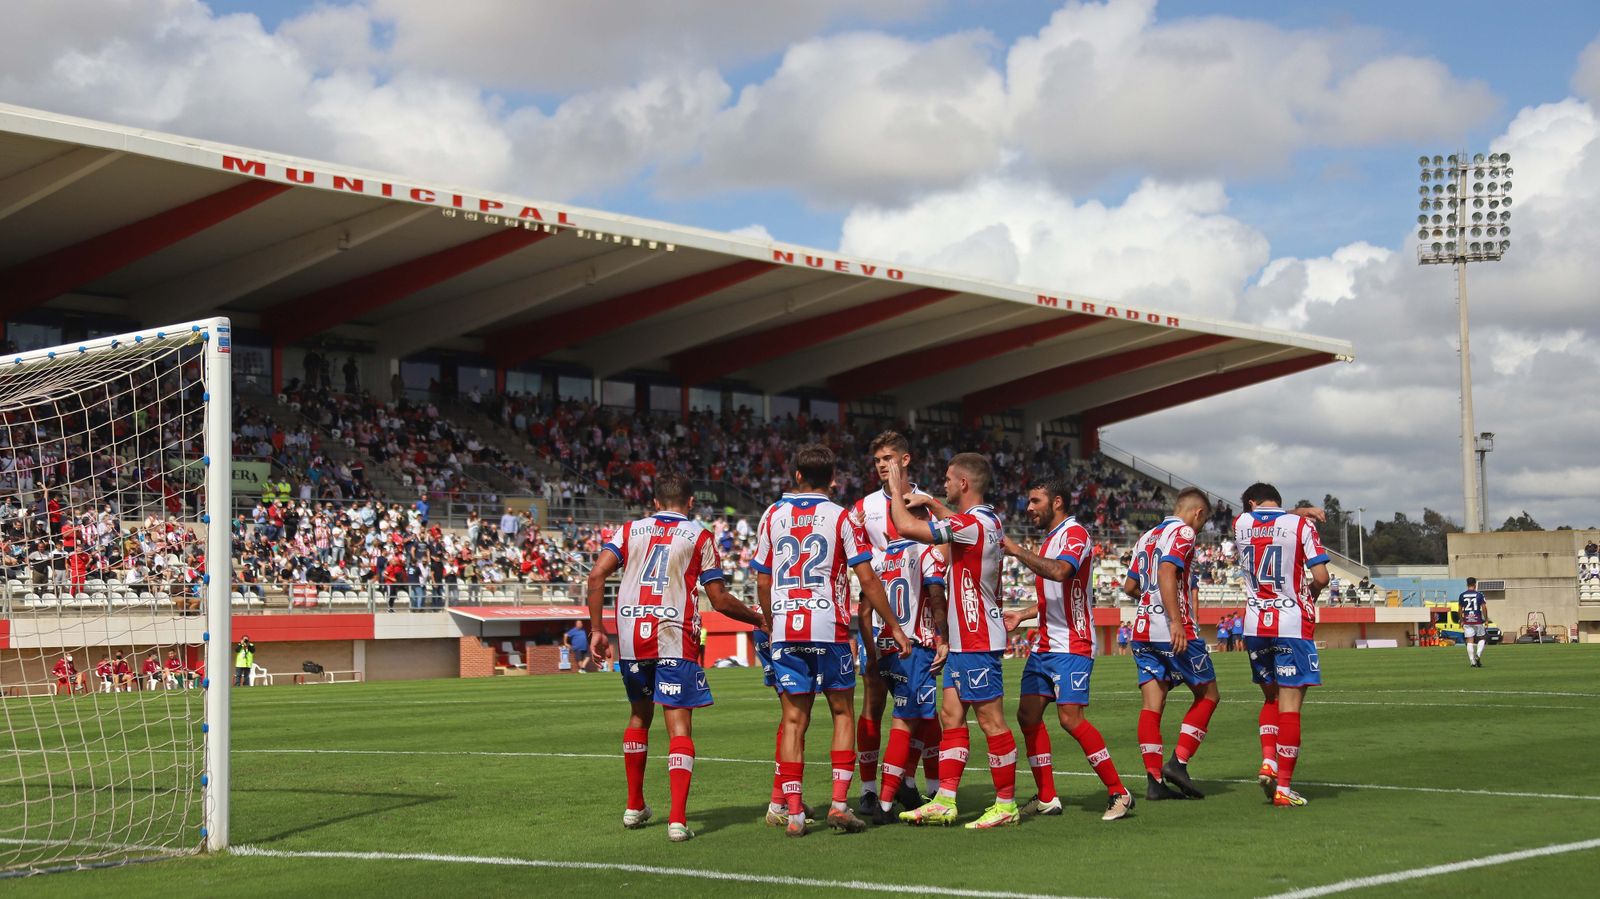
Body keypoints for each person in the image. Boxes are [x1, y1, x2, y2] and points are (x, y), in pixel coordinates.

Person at [586, 472, 765, 843]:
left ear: (655, 502)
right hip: (673, 635)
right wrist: (758, 618)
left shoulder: (629, 530)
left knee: (639, 715)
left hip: (633, 635)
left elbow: (596, 576)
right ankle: (677, 820)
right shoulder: (699, 535)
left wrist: (597, 630)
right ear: (691, 502)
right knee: (679, 726)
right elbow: (718, 599)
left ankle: (634, 806)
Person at [755, 445, 908, 837]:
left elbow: (763, 579)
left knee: (793, 720)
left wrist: (772, 620)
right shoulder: (842, 516)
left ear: (798, 476)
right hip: (829, 628)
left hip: (786, 628)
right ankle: (839, 805)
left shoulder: (772, 514)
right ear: (833, 479)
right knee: (842, 713)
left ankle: (793, 813)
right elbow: (867, 578)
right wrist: (892, 624)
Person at [887, 452, 1021, 830]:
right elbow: (950, 523)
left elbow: (905, 526)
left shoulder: (972, 524)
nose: (944, 484)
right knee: (950, 715)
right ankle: (944, 800)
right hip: (965, 639)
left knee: (991, 721)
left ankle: (1006, 804)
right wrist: (931, 502)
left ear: (963, 483)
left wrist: (896, 487)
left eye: (948, 479)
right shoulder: (986, 521)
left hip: (978, 638)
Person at [1001, 477, 1135, 821]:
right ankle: (1047, 797)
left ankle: (1119, 792)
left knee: (1070, 719)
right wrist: (1023, 615)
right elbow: (1054, 597)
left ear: (1057, 502)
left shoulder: (1075, 534)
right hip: (1045, 644)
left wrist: (1017, 551)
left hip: (1073, 644)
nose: (1029, 508)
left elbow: (1061, 572)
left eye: (1035, 501)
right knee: (1027, 716)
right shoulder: (1050, 540)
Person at [849, 430, 936, 816]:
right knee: (874, 703)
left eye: (888, 458)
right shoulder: (862, 507)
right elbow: (854, 561)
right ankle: (870, 790)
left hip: (917, 619)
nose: (882, 465)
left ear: (905, 459)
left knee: (918, 710)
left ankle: (907, 780)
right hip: (880, 620)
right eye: (877, 460)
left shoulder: (926, 503)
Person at [1235, 483, 1330, 808]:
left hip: (1254, 625)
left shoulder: (1240, 524)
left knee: (1271, 697)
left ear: (1251, 503)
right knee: (1290, 706)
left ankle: (1268, 762)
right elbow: (1321, 577)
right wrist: (1310, 593)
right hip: (1291, 624)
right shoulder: (1301, 526)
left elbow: (1265, 519)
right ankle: (1284, 788)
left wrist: (1298, 511)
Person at [1124, 488, 1218, 802]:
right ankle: (1178, 763)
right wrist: (1175, 620)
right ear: (1198, 513)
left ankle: (1154, 782)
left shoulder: (1146, 536)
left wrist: (1150, 602)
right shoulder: (1184, 532)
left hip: (1142, 630)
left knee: (1152, 705)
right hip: (1172, 630)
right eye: (1202, 521)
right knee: (1208, 695)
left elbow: (1130, 586)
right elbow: (1167, 570)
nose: (1199, 528)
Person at [865, 516, 948, 824]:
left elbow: (864, 610)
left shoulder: (880, 559)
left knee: (923, 718)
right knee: (905, 722)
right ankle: (885, 805)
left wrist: (871, 652)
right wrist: (944, 637)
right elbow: (936, 597)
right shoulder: (927, 553)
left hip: (886, 648)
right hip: (915, 648)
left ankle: (907, 783)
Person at [1459, 577, 1489, 668]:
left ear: (1467, 584)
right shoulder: (1479, 595)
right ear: (1475, 584)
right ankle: (1478, 655)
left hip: (1467, 620)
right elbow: (1484, 607)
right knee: (1482, 638)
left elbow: (1459, 609)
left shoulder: (1462, 595)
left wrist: (1461, 620)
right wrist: (1486, 619)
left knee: (1469, 640)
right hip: (1477, 620)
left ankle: (1472, 661)